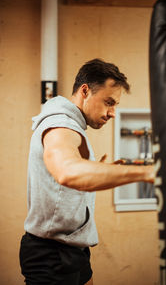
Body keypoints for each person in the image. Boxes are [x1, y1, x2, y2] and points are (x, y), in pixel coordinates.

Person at [19, 58, 154, 285]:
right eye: (108, 102)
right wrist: (149, 173)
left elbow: (66, 180)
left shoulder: (71, 124)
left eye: (115, 105)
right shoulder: (61, 125)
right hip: (52, 255)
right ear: (85, 91)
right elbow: (67, 172)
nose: (112, 113)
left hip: (74, 248)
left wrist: (103, 170)